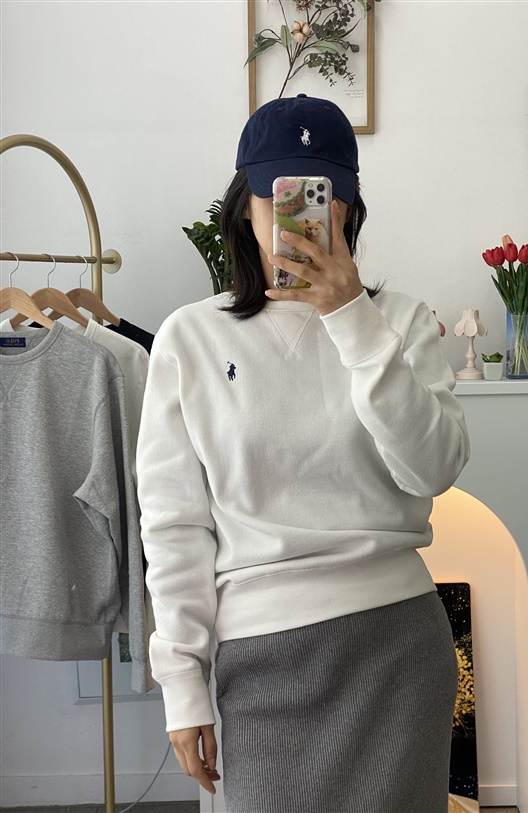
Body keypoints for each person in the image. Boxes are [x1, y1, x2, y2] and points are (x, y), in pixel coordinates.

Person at [136, 94, 470, 813]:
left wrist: (354, 321)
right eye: (280, 195)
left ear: (348, 206)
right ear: (246, 205)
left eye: (325, 196)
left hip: (396, 649)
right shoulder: (191, 337)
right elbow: (174, 525)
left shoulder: (400, 322)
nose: (304, 218)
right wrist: (182, 681)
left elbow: (434, 467)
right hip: (260, 659)